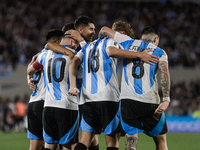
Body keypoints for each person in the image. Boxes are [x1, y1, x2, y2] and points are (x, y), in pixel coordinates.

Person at [68, 21, 158, 150]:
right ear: (120, 34)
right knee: (112, 143)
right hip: (108, 98)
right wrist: (140, 54)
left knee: (84, 142)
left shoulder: (88, 46)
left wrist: (72, 85)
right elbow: (110, 51)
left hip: (87, 99)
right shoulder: (111, 41)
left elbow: (73, 63)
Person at [100, 22, 170, 150]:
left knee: (130, 141)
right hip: (150, 101)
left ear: (141, 38)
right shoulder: (160, 52)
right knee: (161, 141)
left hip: (128, 101)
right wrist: (166, 99)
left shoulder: (128, 42)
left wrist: (99, 39)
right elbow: (164, 73)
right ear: (156, 39)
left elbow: (104, 29)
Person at [27, 29, 78, 150]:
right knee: (67, 145)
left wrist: (29, 79)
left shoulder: (42, 55)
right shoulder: (73, 55)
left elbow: (30, 70)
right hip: (65, 105)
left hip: (44, 105)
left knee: (46, 145)